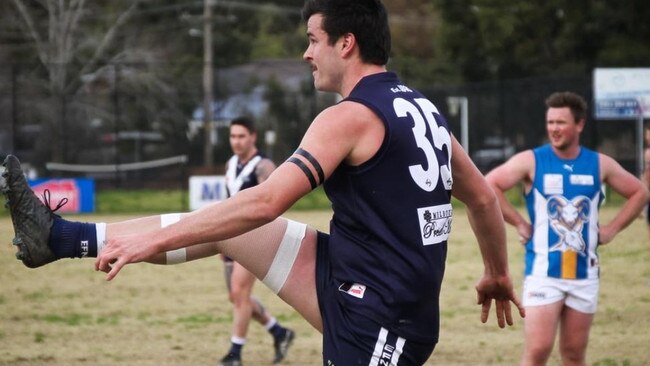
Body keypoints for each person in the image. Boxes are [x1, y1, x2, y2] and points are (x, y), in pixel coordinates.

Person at [3, 1, 524, 364]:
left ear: (346, 43)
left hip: (381, 317)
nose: (306, 53)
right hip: (356, 276)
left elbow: (270, 200)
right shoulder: (423, 108)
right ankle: (60, 238)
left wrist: (155, 241)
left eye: (312, 41)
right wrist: (497, 273)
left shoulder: (350, 116)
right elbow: (481, 194)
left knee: (241, 217)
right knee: (231, 228)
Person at [485, 91, 649, 366]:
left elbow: (640, 192)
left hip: (585, 276)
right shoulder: (531, 160)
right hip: (543, 274)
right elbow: (489, 185)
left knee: (573, 355)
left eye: (561, 122)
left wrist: (611, 230)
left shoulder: (599, 164)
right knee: (538, 351)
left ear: (579, 125)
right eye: (550, 122)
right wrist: (519, 222)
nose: (554, 129)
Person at [218, 116, 294, 365]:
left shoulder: (264, 166)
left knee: (240, 293)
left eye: (241, 136)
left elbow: (273, 205)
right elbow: (227, 203)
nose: (236, 141)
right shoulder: (230, 164)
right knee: (237, 298)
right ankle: (279, 332)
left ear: (253, 137)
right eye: (232, 136)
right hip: (230, 237)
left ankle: (234, 355)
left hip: (252, 238)